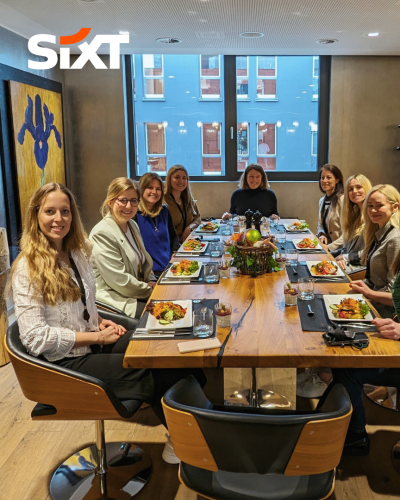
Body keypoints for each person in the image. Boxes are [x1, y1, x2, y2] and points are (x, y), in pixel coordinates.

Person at [11, 182, 205, 464]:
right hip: (62, 363)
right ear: (36, 215)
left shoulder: (76, 252)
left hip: (89, 342)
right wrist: (95, 339)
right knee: (151, 369)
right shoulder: (28, 267)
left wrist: (100, 322)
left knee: (162, 347)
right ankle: (187, 441)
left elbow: (84, 304)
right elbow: (35, 338)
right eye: (50, 211)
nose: (58, 219)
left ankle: (202, 428)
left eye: (65, 211)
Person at [89, 178, 154, 319]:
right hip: (115, 299)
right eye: (123, 200)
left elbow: (142, 263)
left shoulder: (132, 225)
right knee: (160, 315)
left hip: (135, 292)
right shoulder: (102, 232)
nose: (129, 206)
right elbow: (120, 281)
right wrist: (152, 290)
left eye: (134, 200)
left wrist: (154, 281)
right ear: (111, 202)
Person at [348, 184, 400, 318]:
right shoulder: (379, 232)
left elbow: (395, 293)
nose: (373, 210)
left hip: (386, 312)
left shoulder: (395, 239)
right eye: (370, 206)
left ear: (395, 207)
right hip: (374, 299)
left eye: (379, 205)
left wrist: (369, 295)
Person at [136, 173, 180, 277]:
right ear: (141, 189)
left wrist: (174, 253)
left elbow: (174, 237)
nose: (154, 192)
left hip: (170, 268)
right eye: (150, 188)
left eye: (158, 189)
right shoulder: (134, 214)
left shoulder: (164, 211)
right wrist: (146, 271)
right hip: (150, 273)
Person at [330, 174, 372, 271]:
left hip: (364, 268)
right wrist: (329, 255)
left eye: (359, 187)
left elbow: (372, 251)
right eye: (350, 189)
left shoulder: (373, 216)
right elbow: (347, 247)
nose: (354, 191)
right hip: (349, 263)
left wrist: (345, 257)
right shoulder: (354, 215)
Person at [164, 165, 201, 243]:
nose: (181, 181)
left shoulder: (188, 199)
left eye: (184, 178)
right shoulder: (163, 202)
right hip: (170, 245)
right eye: (177, 177)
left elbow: (197, 218)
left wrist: (189, 228)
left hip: (189, 242)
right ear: (169, 179)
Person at [316, 164, 344, 246]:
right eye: (322, 178)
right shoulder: (321, 200)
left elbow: (347, 233)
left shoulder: (342, 200)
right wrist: (322, 234)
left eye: (329, 177)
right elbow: (320, 225)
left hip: (339, 247)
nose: (324, 181)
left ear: (337, 180)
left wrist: (329, 247)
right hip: (325, 244)